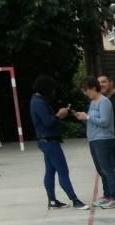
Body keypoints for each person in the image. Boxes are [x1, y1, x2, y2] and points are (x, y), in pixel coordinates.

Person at [28, 74, 88, 210]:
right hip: (49, 141)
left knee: (50, 171)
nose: (53, 92)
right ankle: (75, 200)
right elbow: (48, 122)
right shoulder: (39, 103)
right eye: (52, 89)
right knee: (63, 170)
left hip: (45, 141)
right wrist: (59, 115)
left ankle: (52, 201)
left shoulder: (36, 101)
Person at [74, 75, 115, 209]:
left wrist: (87, 116)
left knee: (107, 169)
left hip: (104, 139)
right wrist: (84, 117)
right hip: (94, 139)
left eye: (86, 90)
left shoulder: (104, 101)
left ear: (94, 87)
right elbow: (94, 119)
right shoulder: (93, 102)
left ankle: (114, 197)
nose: (85, 93)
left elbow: (105, 122)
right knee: (100, 170)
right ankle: (107, 195)